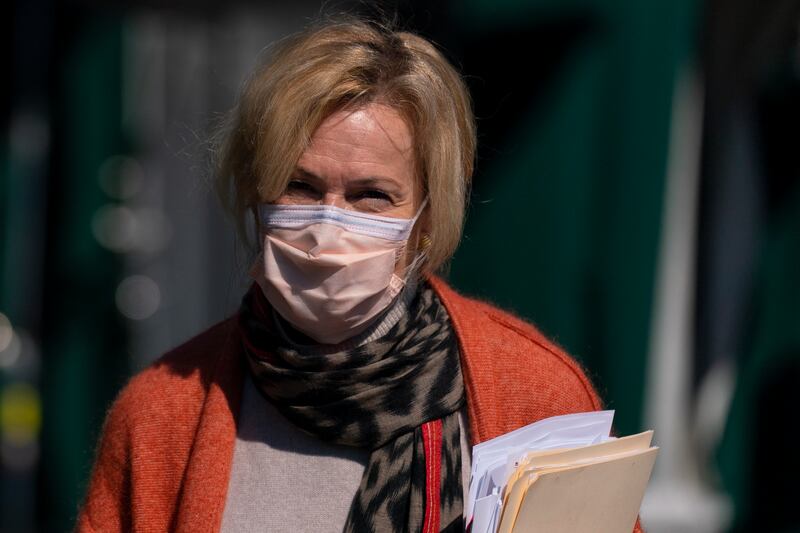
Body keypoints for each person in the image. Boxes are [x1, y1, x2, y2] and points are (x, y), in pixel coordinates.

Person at [76, 17, 644, 533]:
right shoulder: (161, 415)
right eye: (299, 186)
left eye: (372, 195)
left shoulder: (535, 394)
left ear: (427, 217)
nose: (329, 223)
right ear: (254, 194)